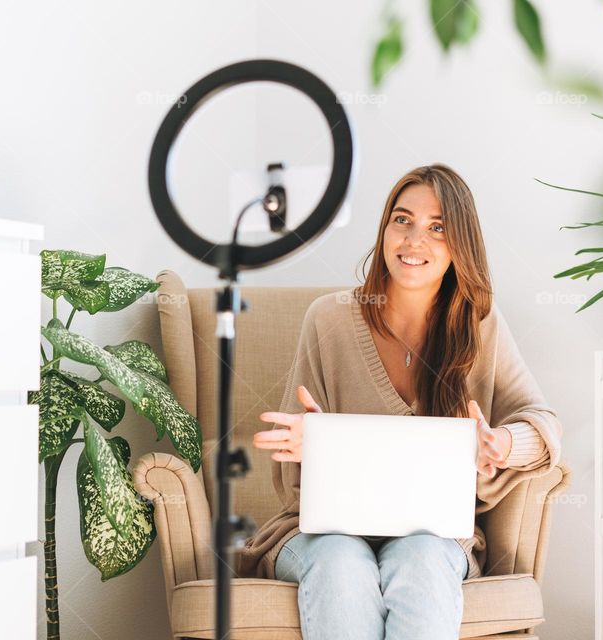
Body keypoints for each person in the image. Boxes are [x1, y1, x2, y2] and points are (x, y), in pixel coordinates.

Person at [237, 164, 563, 640]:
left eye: (437, 228)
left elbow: (544, 424)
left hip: (430, 539)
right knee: (341, 565)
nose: (414, 240)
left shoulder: (479, 326)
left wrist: (501, 444)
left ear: (461, 246)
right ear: (385, 228)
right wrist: (318, 445)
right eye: (402, 220)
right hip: (322, 537)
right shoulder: (328, 319)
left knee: (424, 561)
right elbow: (293, 487)